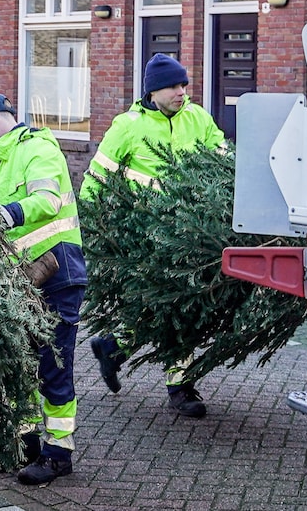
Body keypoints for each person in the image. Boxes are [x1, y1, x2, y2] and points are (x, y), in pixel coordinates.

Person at [80, 53, 225, 418]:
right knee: (160, 303)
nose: (181, 92)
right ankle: (142, 363)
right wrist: (92, 225)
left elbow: (224, 159)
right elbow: (97, 178)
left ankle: (143, 364)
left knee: (184, 303)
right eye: (174, 86)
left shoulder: (198, 118)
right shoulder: (127, 126)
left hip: (193, 233)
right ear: (153, 91)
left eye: (184, 85)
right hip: (144, 233)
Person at [0, 93, 87, 486]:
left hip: (58, 274)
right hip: (27, 279)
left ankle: (58, 454)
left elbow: (46, 202)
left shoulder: (38, 148)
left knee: (53, 366)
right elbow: (10, 232)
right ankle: (25, 443)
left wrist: (1, 215)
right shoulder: (5, 164)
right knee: (22, 363)